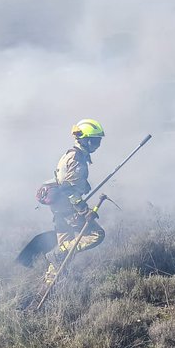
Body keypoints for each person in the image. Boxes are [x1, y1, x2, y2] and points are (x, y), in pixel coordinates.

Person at [44, 118, 106, 284]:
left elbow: (67, 182)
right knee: (97, 235)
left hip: (59, 209)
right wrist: (84, 210)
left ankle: (50, 285)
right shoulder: (77, 158)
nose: (97, 145)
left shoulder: (71, 154)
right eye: (95, 141)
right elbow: (68, 188)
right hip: (68, 208)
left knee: (64, 252)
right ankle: (58, 253)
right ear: (85, 139)